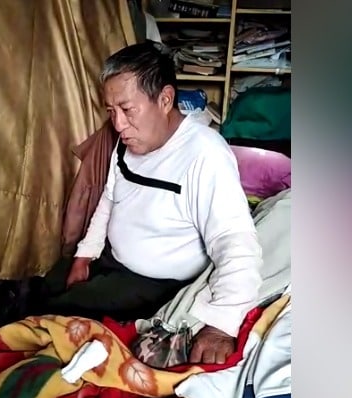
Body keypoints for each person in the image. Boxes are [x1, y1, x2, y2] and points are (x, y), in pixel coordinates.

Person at [27, 41, 263, 365]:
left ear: (165, 100)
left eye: (127, 110)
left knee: (56, 315)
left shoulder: (205, 155)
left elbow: (235, 240)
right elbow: (110, 199)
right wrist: (85, 254)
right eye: (111, 111)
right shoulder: (129, 142)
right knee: (41, 284)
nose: (118, 124)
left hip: (154, 284)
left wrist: (221, 325)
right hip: (111, 260)